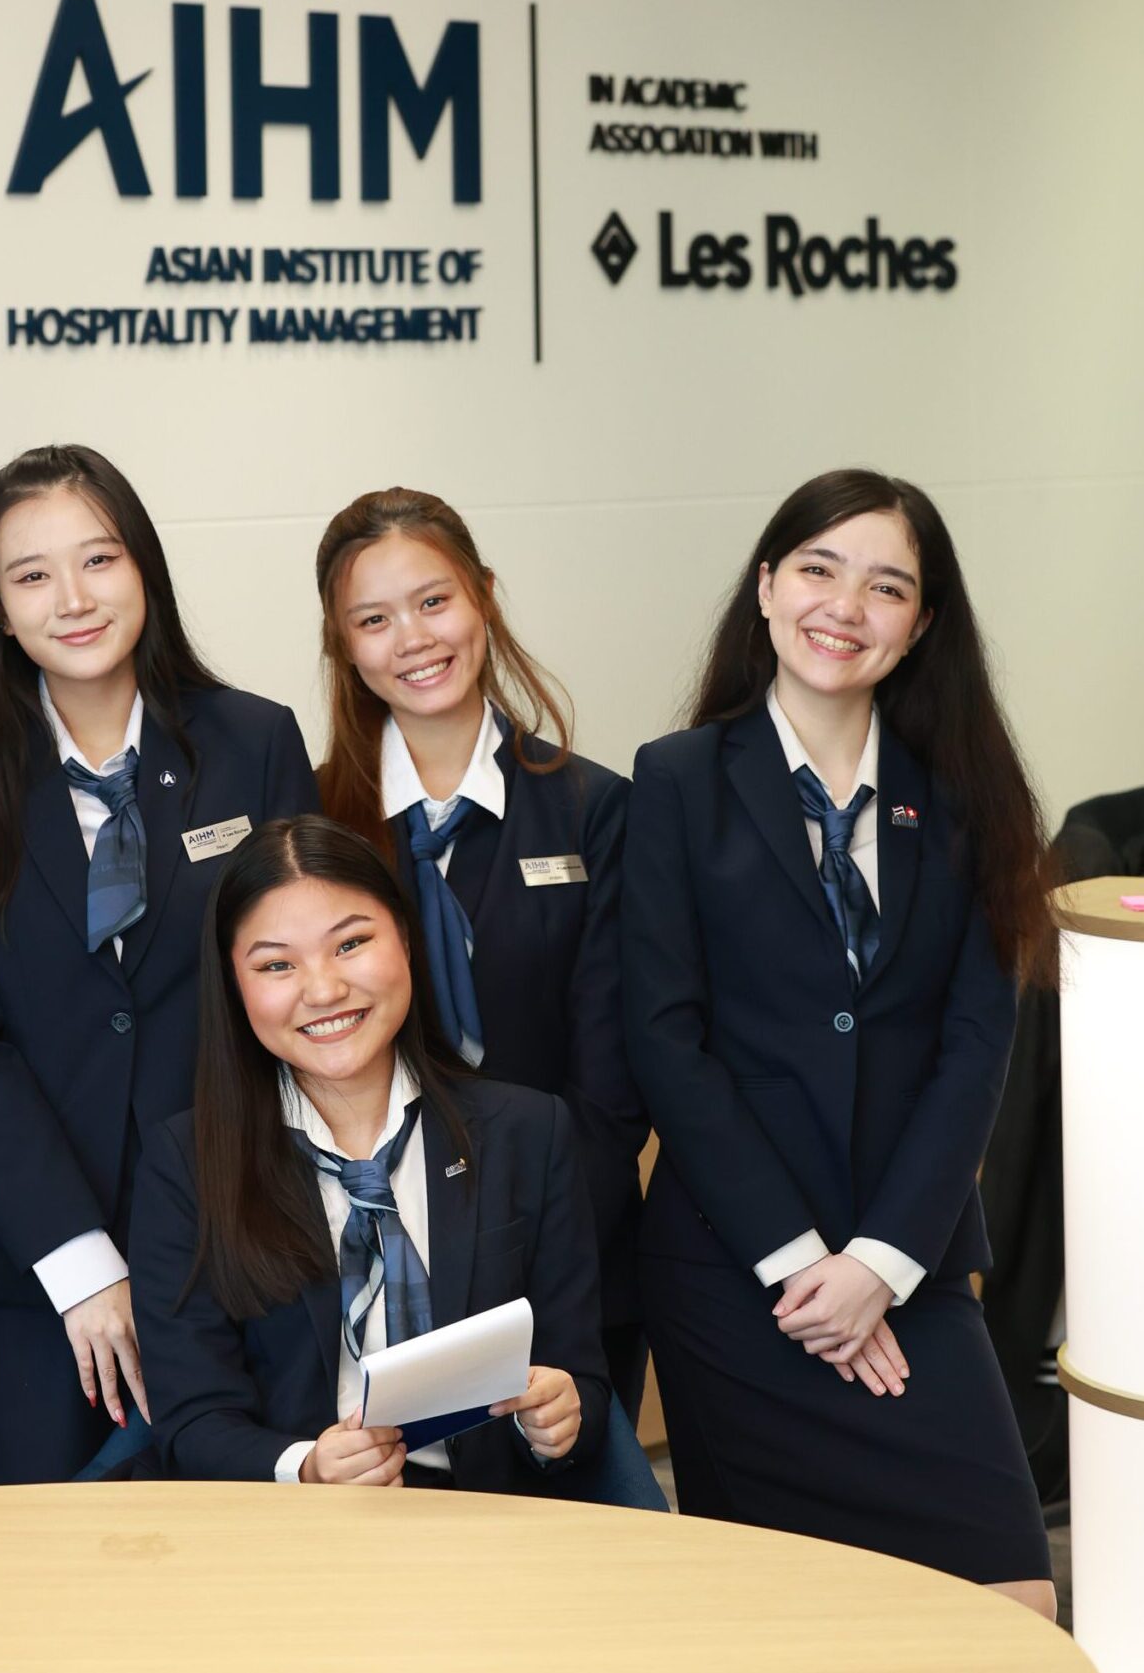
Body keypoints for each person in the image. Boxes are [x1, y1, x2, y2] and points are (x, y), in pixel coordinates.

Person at [621, 468, 1055, 1616]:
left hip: (906, 1267)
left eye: (885, 586)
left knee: (1012, 1603)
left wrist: (876, 1265)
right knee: (777, 1617)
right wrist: (800, 1263)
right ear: (764, 588)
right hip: (740, 1278)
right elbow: (666, 1043)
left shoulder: (963, 797)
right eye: (816, 568)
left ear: (918, 628)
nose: (843, 606)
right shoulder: (674, 782)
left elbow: (975, 1044)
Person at [0, 444, 318, 1486]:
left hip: (235, 1247)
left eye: (100, 560)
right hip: (22, 1278)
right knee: (21, 1609)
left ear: (145, 573)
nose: (72, 599)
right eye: (31, 575)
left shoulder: (251, 741)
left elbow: (303, 985)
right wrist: (79, 1261)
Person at [130, 813, 609, 1492]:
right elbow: (192, 1422)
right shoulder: (185, 1163)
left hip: (496, 1531)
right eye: (276, 964)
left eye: (350, 943)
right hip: (294, 1539)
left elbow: (577, 1377)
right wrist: (307, 1465)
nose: (322, 989)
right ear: (235, 987)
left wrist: (563, 1416)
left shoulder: (528, 1131)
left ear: (405, 941)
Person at [313, 486, 648, 1414]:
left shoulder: (595, 809)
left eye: (433, 600)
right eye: (372, 619)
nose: (412, 638)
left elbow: (612, 1085)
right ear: (342, 642)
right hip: (366, 1273)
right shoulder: (309, 825)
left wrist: (528, 1251)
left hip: (567, 1263)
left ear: (483, 596)